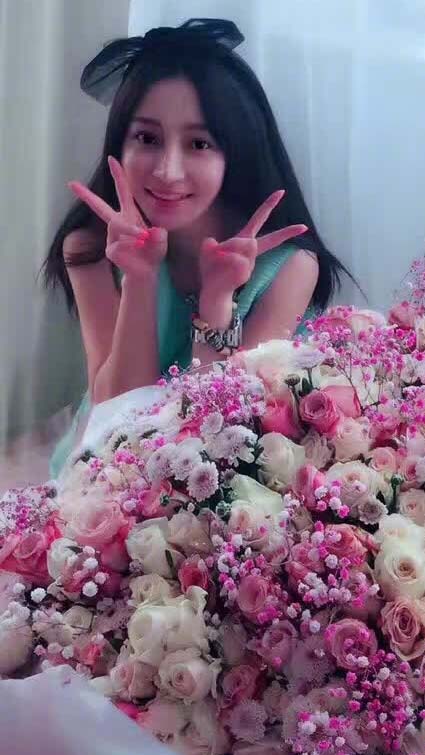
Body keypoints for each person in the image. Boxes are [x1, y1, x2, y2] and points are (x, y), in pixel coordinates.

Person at [43, 18, 352, 476]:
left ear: (236, 150)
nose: (168, 171)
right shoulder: (90, 246)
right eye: (147, 138)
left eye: (199, 143)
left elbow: (217, 430)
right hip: (113, 464)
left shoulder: (288, 265)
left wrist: (217, 302)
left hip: (222, 465)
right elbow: (114, 416)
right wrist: (140, 279)